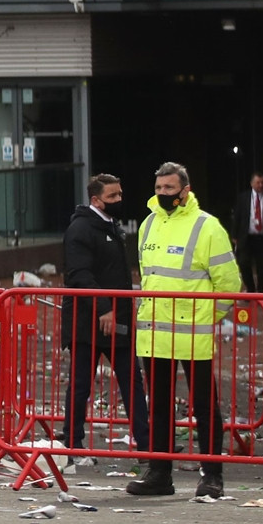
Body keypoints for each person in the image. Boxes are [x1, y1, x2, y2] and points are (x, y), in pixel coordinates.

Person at [126, 162, 240, 499]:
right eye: (159, 188)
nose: (162, 194)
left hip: (192, 335)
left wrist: (205, 317)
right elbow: (150, 278)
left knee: (204, 407)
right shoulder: (148, 225)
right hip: (155, 335)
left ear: (185, 190)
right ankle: (160, 473)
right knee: (159, 407)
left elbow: (229, 286)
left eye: (169, 189)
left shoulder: (207, 227)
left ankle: (212, 475)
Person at [60, 173, 150, 462]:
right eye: (113, 196)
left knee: (132, 382)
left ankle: (148, 447)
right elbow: (80, 275)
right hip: (88, 324)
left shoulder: (111, 227)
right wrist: (104, 308)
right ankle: (73, 444)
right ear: (96, 200)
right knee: (81, 385)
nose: (119, 200)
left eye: (120, 194)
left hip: (117, 322)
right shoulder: (81, 229)